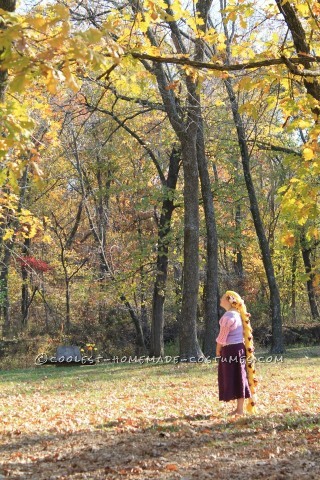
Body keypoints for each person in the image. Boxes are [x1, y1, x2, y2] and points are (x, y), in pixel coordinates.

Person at [216, 290, 257, 415]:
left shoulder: (228, 317)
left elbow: (222, 338)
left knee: (234, 377)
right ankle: (239, 409)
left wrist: (218, 350)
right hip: (239, 349)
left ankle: (239, 410)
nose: (220, 300)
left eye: (222, 298)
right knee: (240, 377)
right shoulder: (238, 315)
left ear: (229, 300)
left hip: (230, 350)